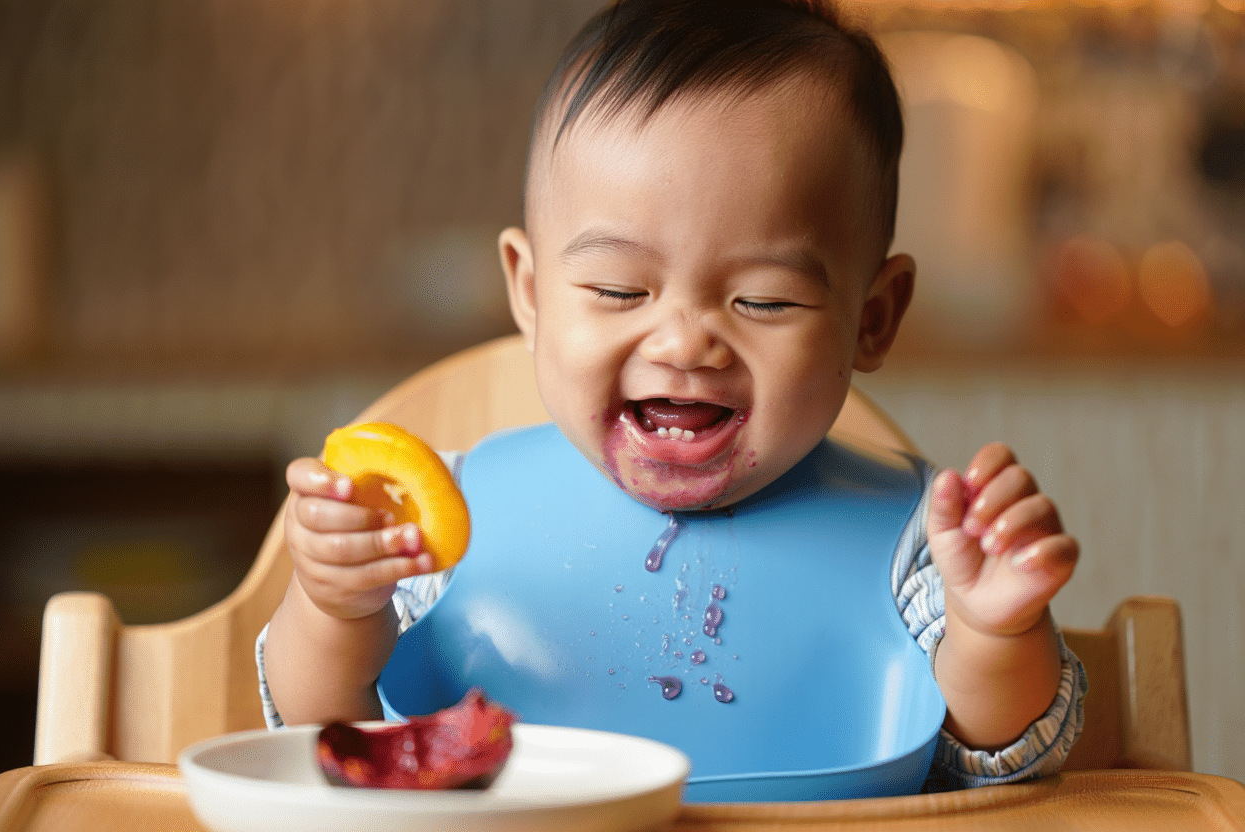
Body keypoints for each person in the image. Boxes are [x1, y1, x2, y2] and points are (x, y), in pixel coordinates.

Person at [259, 0, 1086, 791]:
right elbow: (323, 740)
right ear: (533, 294)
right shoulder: (432, 530)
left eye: (763, 300)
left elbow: (997, 761)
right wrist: (335, 607)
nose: (685, 342)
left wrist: (993, 632)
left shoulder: (921, 548)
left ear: (871, 320)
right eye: (620, 290)